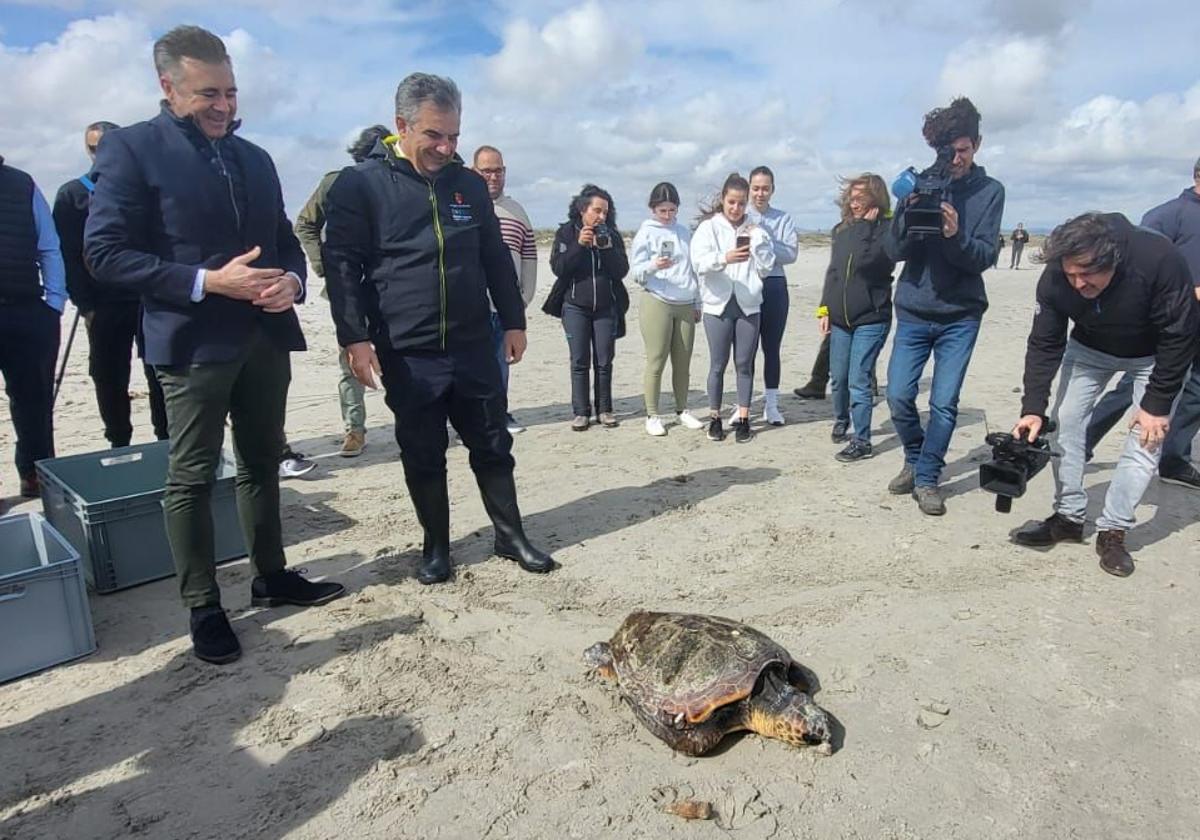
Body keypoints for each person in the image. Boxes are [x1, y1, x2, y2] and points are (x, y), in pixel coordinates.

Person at [84, 25, 344, 664]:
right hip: (192, 342)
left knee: (262, 462)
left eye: (231, 91)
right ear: (167, 87)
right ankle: (203, 605)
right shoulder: (131, 150)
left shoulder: (254, 157)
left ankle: (272, 575)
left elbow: (285, 242)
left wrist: (289, 280)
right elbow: (104, 254)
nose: (225, 106)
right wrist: (207, 282)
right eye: (209, 95)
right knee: (192, 477)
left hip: (264, 337)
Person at [323, 72, 554, 586]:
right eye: (434, 135)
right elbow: (342, 266)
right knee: (424, 452)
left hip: (474, 341)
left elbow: (493, 255)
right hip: (408, 350)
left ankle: (509, 534)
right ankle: (436, 547)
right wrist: (354, 337)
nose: (446, 147)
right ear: (402, 125)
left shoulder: (467, 183)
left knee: (493, 442)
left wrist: (513, 321)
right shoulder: (360, 185)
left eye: (453, 136)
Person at [1011, 213, 1199, 577]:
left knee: (1146, 440)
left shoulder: (1157, 259)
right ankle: (1068, 517)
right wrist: (1033, 407)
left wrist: (1156, 406)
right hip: (1089, 349)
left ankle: (1113, 531)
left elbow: (1180, 336)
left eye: (1087, 273)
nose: (1078, 283)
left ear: (1112, 258)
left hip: (1154, 354)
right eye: (1071, 275)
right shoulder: (1056, 275)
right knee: (1062, 424)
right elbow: (1044, 343)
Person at [884, 96, 1005, 515]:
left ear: (977, 144)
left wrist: (953, 234)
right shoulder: (920, 184)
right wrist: (906, 214)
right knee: (898, 396)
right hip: (915, 309)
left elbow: (983, 257)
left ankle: (928, 476)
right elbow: (893, 250)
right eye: (948, 150)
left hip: (960, 314)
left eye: (963, 150)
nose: (955, 159)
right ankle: (915, 457)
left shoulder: (990, 192)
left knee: (944, 402)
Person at [1084, 158, 1200, 490]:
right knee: (1129, 390)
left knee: (1195, 391)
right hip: (1167, 322)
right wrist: (1189, 292)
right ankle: (1085, 439)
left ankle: (1175, 458)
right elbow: (1136, 266)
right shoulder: (1168, 214)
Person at [53, 121, 168, 448]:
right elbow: (68, 255)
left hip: (147, 298)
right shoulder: (72, 194)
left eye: (107, 145)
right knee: (108, 377)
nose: (100, 154)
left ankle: (167, 441)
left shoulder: (146, 187)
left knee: (160, 373)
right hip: (103, 304)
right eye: (93, 148)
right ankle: (119, 443)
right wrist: (85, 304)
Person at [294, 124, 390, 458]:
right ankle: (355, 429)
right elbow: (304, 224)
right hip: (347, 288)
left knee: (399, 354)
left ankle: (413, 421)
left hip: (389, 285)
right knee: (351, 359)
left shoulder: (398, 181)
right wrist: (326, 268)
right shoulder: (336, 182)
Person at [691, 172, 775, 443]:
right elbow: (699, 264)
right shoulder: (709, 228)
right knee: (717, 364)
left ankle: (744, 418)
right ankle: (715, 418)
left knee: (744, 364)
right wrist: (724, 258)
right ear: (723, 200)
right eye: (731, 202)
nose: (736, 208)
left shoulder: (756, 228)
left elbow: (765, 268)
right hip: (717, 304)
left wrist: (759, 244)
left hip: (749, 304)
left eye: (741, 203)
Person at [0, 155, 64, 507]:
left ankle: (36, 474)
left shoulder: (21, 183)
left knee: (33, 400)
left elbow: (49, 246)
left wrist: (53, 303)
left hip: (26, 309)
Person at [818, 173, 896, 462]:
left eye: (860, 199)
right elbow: (834, 272)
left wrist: (865, 227)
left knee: (858, 380)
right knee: (837, 378)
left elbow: (870, 262)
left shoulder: (887, 230)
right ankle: (841, 419)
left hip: (871, 317)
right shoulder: (841, 230)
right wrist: (824, 308)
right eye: (851, 198)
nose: (854, 204)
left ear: (875, 199)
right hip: (840, 319)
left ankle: (862, 440)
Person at [544, 184, 630, 430]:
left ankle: (605, 409)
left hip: (605, 307)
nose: (601, 216)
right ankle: (581, 412)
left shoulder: (611, 235)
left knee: (604, 361)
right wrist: (579, 246)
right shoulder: (566, 233)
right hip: (575, 306)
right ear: (583, 209)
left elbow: (621, 271)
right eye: (597, 210)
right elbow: (559, 268)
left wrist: (606, 250)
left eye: (605, 211)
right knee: (579, 360)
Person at [629, 181, 705, 436]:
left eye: (672, 210)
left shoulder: (684, 232)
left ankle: (682, 409)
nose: (667, 215)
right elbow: (636, 273)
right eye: (662, 210)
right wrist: (653, 265)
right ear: (653, 209)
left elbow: (694, 270)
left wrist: (697, 302)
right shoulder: (646, 232)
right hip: (657, 300)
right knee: (656, 359)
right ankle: (652, 414)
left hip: (684, 302)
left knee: (682, 361)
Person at [472, 144, 537, 435]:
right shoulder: (464, 206)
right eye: (486, 170)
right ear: (475, 172)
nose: (493, 176)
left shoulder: (517, 212)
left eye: (498, 170)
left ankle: (500, 414)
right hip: (470, 306)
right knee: (471, 367)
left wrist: (521, 300)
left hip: (504, 307)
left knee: (501, 365)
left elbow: (529, 259)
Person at [747, 165, 799, 425]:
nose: (760, 193)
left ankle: (772, 404)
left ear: (772, 190)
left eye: (765, 188)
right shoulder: (740, 215)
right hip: (746, 285)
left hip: (775, 285)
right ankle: (744, 404)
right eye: (756, 188)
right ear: (749, 189)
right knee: (745, 349)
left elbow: (790, 253)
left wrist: (764, 240)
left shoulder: (783, 218)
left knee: (771, 348)